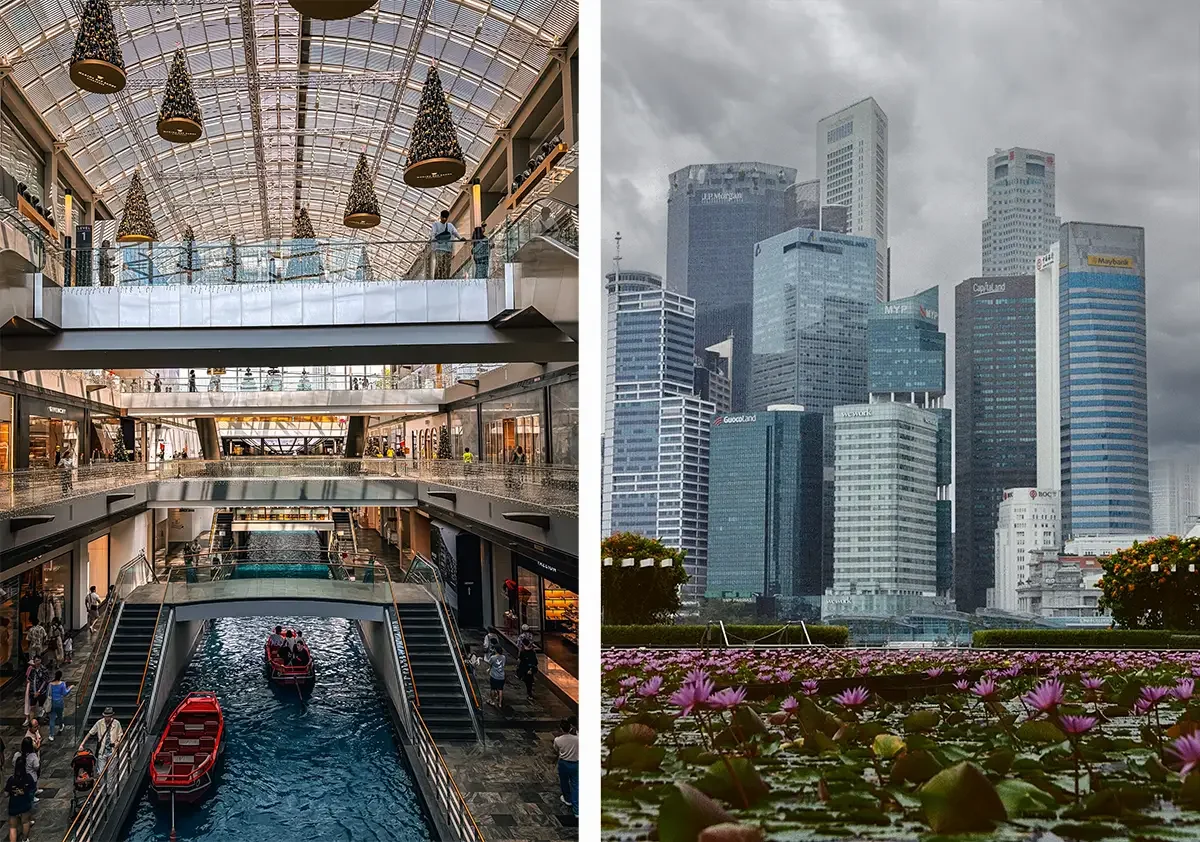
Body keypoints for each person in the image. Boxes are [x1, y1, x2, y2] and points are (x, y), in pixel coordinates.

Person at [82, 708, 123, 778]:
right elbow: (90, 733)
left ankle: (109, 787)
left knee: (111, 772)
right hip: (102, 750)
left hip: (112, 750)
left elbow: (120, 734)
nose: (107, 718)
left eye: (109, 716)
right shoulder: (99, 723)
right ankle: (102, 785)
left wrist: (118, 742)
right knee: (100, 771)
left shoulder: (116, 723)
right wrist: (82, 744)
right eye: (106, 716)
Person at [5, 747, 35, 842]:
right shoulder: (28, 778)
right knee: (25, 822)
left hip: (13, 804)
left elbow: (6, 793)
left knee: (13, 827)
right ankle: (25, 839)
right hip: (25, 802)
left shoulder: (11, 779)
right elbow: (32, 789)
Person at [554, 717, 579, 817]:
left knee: (564, 781)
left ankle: (567, 799)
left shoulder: (558, 740)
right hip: (575, 763)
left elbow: (556, 750)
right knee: (575, 785)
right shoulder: (578, 739)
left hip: (564, 763)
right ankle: (577, 809)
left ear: (561, 729)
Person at [430, 210, 460, 279]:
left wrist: (460, 238)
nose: (444, 219)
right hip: (439, 249)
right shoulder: (436, 224)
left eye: (445, 218)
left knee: (447, 266)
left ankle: (446, 279)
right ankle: (437, 279)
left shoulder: (450, 225)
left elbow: (455, 232)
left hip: (448, 249)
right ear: (440, 217)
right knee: (439, 265)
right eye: (443, 217)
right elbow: (433, 234)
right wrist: (433, 239)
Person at [47, 672, 70, 743]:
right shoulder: (62, 684)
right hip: (60, 703)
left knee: (52, 719)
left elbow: (47, 694)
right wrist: (70, 688)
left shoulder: (50, 684)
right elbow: (65, 693)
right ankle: (60, 726)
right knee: (60, 716)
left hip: (52, 703)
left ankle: (51, 735)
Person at [516, 635, 538, 701]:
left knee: (528, 681)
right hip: (530, 668)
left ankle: (530, 693)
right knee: (529, 680)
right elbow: (535, 661)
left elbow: (521, 661)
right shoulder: (532, 652)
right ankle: (530, 691)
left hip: (526, 668)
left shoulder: (523, 652)